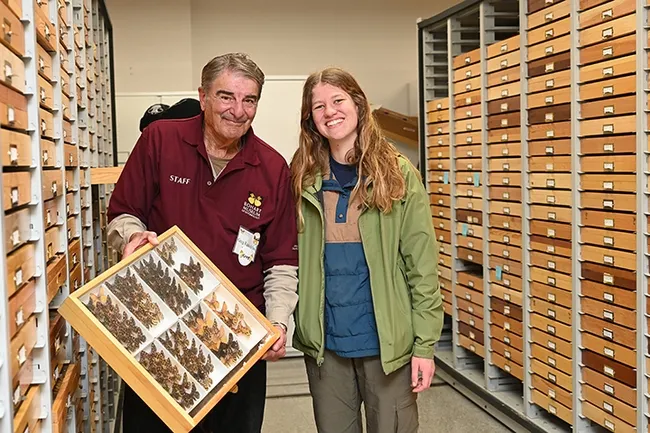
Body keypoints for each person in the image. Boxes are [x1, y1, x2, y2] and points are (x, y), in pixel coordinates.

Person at [106, 52, 299, 433]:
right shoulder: (160, 141)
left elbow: (281, 261)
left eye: (250, 100)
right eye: (226, 96)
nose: (238, 110)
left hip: (237, 340)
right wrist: (132, 235)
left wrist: (278, 321)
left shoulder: (273, 168)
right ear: (204, 96)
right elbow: (122, 214)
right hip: (157, 330)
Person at [289, 67, 443, 433]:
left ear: (358, 104)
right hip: (328, 348)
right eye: (319, 106)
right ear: (310, 119)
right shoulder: (301, 178)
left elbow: (422, 266)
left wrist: (424, 347)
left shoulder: (398, 174)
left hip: (387, 346)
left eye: (338, 100)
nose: (330, 112)